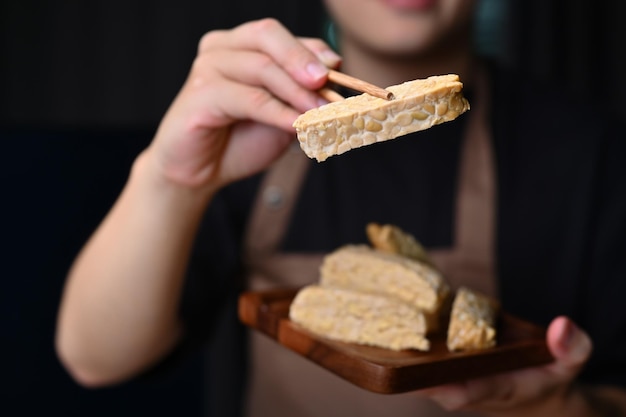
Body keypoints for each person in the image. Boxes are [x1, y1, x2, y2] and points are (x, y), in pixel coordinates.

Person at [55, 0, 626, 415]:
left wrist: (555, 407)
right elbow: (95, 358)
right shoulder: (248, 129)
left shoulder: (584, 147)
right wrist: (171, 177)